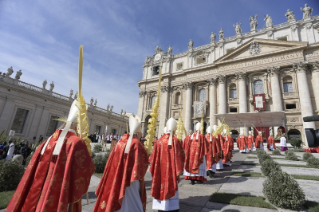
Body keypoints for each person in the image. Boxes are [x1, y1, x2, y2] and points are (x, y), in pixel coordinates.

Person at [6, 100, 95, 212]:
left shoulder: (48, 140)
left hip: (38, 191)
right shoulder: (77, 142)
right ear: (79, 126)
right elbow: (87, 169)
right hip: (60, 193)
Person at [93, 115, 148, 212]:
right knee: (132, 202)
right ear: (138, 133)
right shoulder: (136, 144)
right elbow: (142, 165)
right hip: (131, 180)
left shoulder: (120, 142)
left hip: (117, 177)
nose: (141, 135)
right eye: (140, 133)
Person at [150, 118, 185, 212]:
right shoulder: (176, 141)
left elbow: (152, 158)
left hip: (160, 171)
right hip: (171, 172)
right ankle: (171, 208)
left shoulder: (159, 141)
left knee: (160, 185)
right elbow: (180, 157)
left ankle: (160, 207)